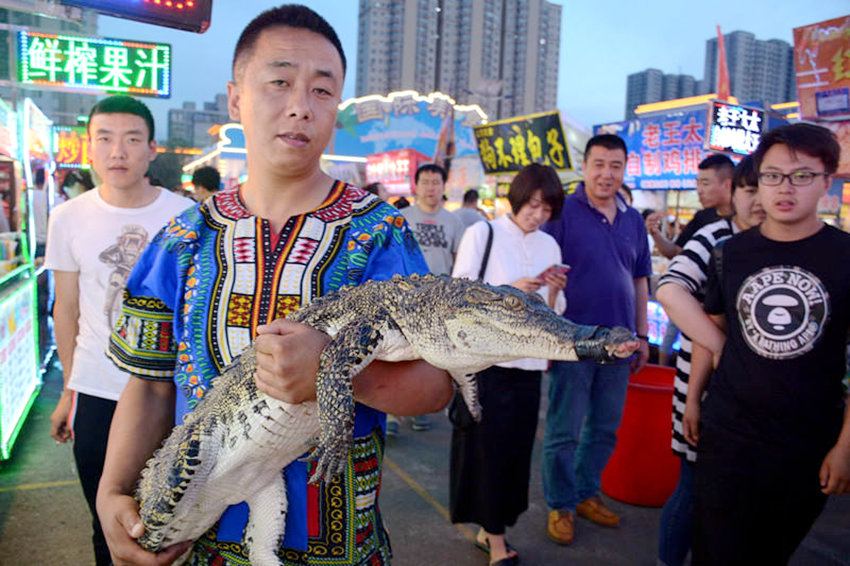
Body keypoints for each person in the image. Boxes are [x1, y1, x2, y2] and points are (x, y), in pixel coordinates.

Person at [95, 6, 453, 566]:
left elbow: (435, 386)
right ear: (236, 97)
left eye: (322, 90)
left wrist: (331, 371)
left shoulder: (381, 234)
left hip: (341, 547)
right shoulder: (179, 242)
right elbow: (150, 385)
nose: (299, 106)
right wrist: (110, 493)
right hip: (198, 540)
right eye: (280, 81)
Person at [680, 123, 850, 564]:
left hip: (807, 442)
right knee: (713, 550)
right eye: (772, 175)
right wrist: (694, 400)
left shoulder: (845, 256)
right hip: (729, 432)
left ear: (826, 181)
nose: (784, 187)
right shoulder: (731, 254)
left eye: (801, 175)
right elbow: (712, 329)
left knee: (769, 553)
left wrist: (845, 445)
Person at [44, 95, 193, 566]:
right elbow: (65, 310)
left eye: (131, 140)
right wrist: (70, 392)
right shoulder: (67, 217)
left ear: (152, 149)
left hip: (165, 393)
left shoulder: (185, 215)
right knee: (104, 522)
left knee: (171, 523)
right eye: (104, 139)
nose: (118, 152)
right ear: (88, 148)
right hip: (95, 392)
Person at [450, 164, 566, 566]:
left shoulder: (550, 247)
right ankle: (496, 541)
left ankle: (492, 527)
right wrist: (510, 290)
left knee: (516, 454)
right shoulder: (483, 233)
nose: (537, 214)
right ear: (516, 198)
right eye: (532, 204)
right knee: (489, 452)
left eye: (546, 208)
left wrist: (551, 292)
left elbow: (554, 314)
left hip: (530, 365)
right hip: (488, 363)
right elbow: (458, 295)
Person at [654, 155, 765, 566]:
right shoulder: (716, 238)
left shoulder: (780, 240)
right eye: (749, 189)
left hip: (756, 395)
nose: (758, 200)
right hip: (701, 382)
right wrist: (720, 346)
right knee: (692, 484)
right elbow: (670, 287)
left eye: (763, 187)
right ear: (733, 193)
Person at [541, 133, 651, 546]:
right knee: (564, 430)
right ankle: (561, 504)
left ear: (625, 169)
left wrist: (642, 335)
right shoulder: (563, 212)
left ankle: (586, 493)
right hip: (574, 341)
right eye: (599, 164)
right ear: (584, 166)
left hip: (621, 341)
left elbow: (641, 279)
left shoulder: (633, 219)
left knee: (604, 428)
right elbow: (545, 273)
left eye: (615, 166)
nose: (607, 174)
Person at [400, 162, 464, 431]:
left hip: (440, 301)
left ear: (443, 187)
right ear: (416, 186)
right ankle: (393, 414)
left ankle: (419, 407)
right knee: (399, 352)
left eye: (436, 182)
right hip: (406, 297)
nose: (430, 187)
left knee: (432, 354)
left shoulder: (453, 221)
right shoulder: (401, 216)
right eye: (425, 182)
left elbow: (458, 259)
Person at [646, 154, 734, 259]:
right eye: (698, 184)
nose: (699, 190)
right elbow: (676, 252)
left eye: (705, 184)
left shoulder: (745, 218)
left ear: (728, 185)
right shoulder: (702, 217)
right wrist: (655, 234)